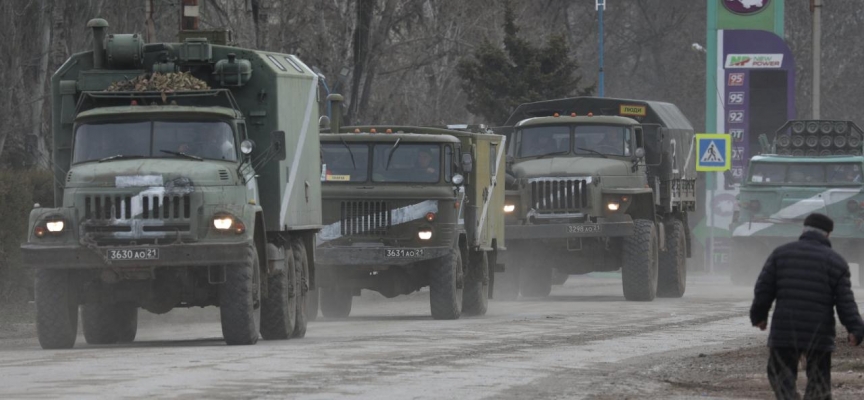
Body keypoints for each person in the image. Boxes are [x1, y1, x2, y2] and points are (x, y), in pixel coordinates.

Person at [750, 213, 864, 400]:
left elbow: (763, 289)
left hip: (785, 330)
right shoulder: (836, 262)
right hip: (819, 333)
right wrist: (855, 329)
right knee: (819, 383)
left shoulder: (781, 254)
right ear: (828, 235)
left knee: (780, 375)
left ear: (803, 230)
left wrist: (759, 317)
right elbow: (845, 302)